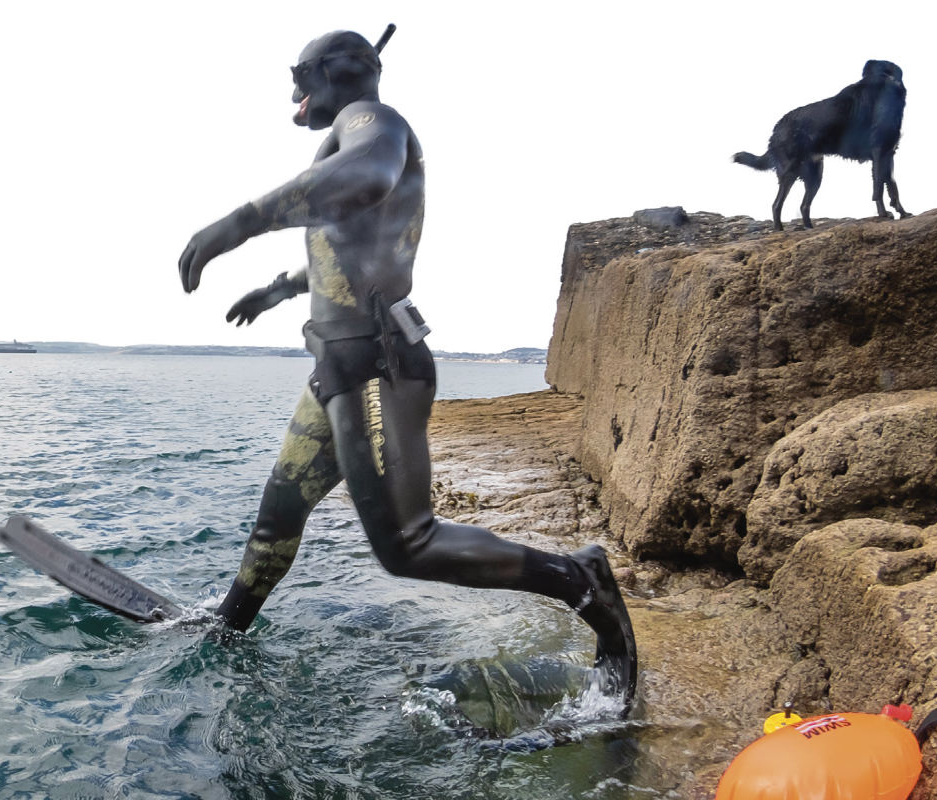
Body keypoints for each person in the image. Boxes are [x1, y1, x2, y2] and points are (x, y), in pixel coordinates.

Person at [177, 27, 637, 707]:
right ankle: (229, 622)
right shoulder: (348, 134)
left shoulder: (374, 123)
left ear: (335, 73)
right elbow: (353, 247)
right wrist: (279, 287)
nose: (292, 93)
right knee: (279, 512)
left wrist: (233, 226)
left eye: (298, 76)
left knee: (407, 544)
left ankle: (581, 580)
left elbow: (362, 181)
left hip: (377, 367)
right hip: (337, 371)